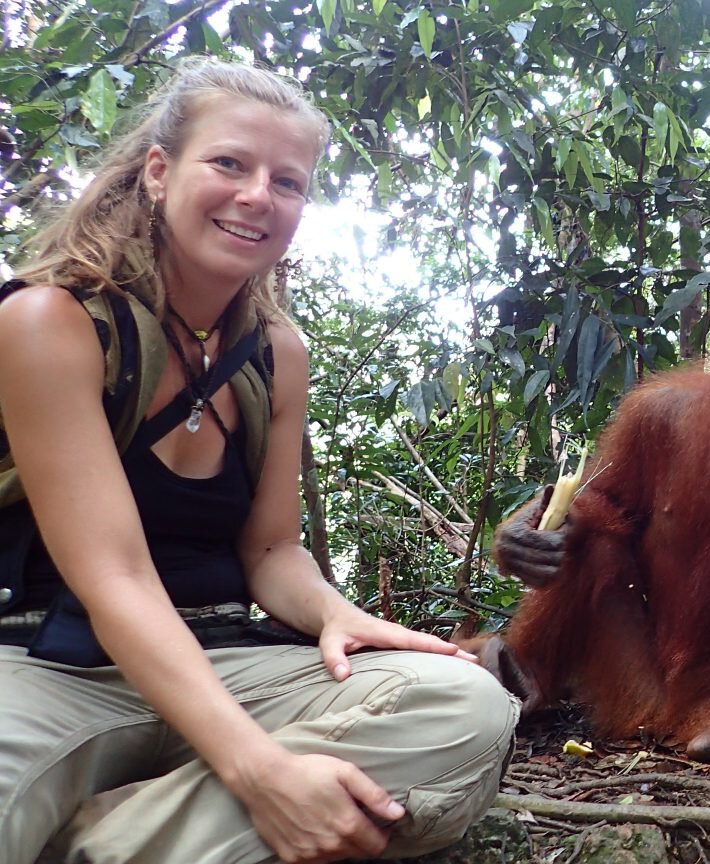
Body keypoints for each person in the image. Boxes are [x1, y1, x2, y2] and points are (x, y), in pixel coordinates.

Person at [0, 57, 517, 864]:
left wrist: (331, 611)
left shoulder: (276, 354)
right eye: (230, 164)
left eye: (288, 182)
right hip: (49, 666)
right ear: (159, 171)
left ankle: (102, 845)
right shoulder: (51, 323)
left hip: (233, 658)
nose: (257, 197)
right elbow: (116, 579)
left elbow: (271, 550)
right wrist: (260, 769)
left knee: (466, 707)